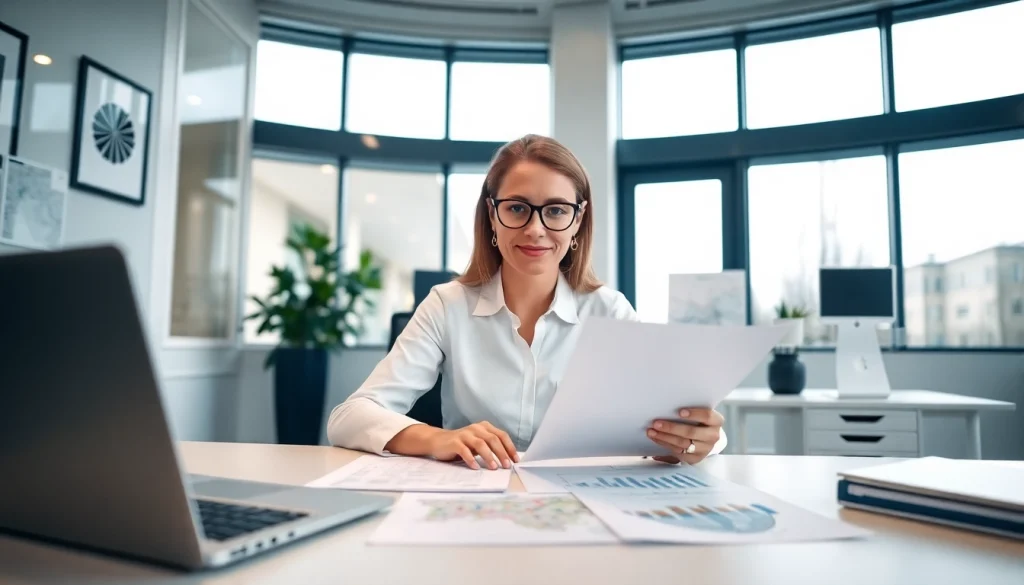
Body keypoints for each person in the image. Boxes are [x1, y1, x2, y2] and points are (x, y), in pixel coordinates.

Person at [326, 134, 726, 469]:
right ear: (492, 215)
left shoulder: (609, 311)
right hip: (472, 502)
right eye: (517, 208)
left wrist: (698, 440)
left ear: (577, 222)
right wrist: (438, 440)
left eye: (555, 210)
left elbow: (685, 419)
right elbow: (349, 418)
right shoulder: (447, 306)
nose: (535, 229)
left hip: (583, 506)